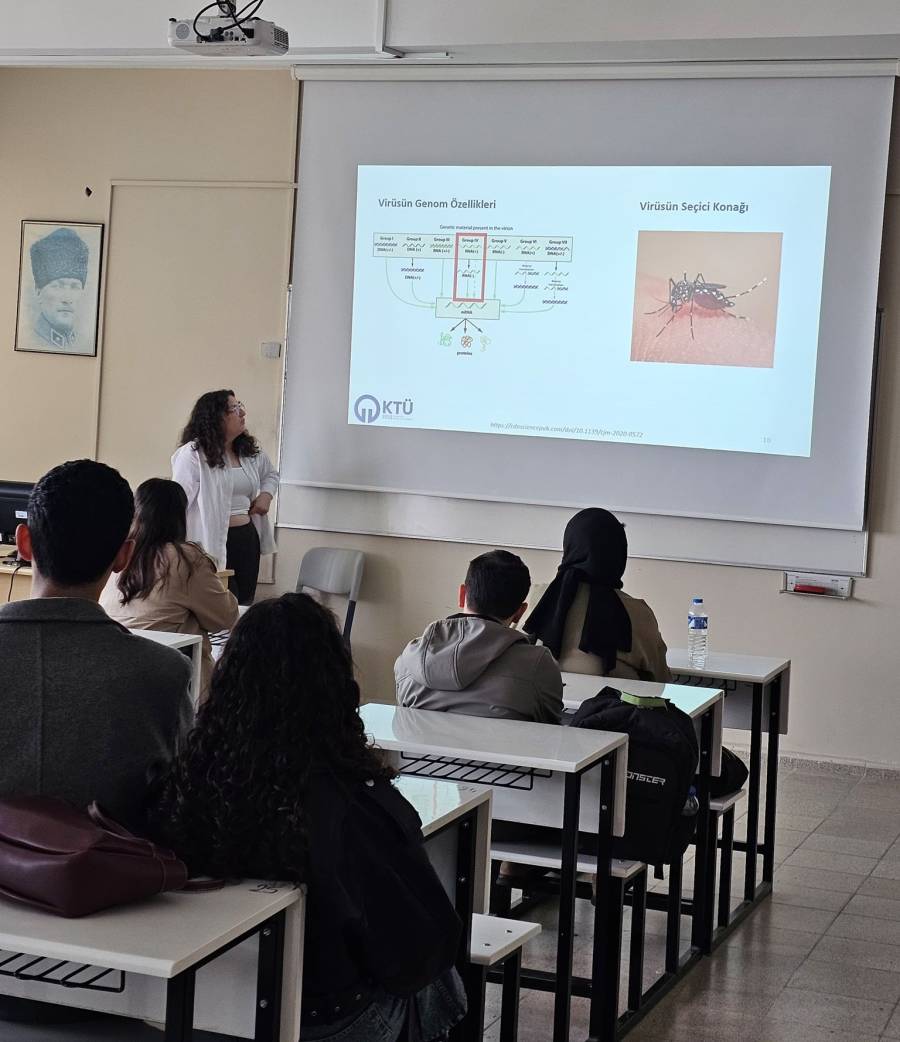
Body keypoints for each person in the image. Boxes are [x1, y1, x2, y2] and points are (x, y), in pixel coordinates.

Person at [153, 593, 466, 1042]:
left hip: (209, 1005)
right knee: (441, 977)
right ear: (335, 686)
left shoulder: (187, 783)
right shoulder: (354, 803)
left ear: (227, 681)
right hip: (325, 1019)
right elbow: (417, 949)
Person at [0, 460, 193, 830]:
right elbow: (178, 807)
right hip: (109, 867)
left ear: (24, 543)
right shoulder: (164, 674)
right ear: (124, 556)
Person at [101, 478, 239, 701]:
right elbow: (225, 617)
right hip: (174, 682)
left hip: (118, 674)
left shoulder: (119, 554)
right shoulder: (185, 559)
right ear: (180, 516)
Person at [395, 549, 563, 723]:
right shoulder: (538, 664)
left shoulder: (408, 659)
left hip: (425, 742)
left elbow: (404, 726)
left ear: (462, 594)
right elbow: (550, 730)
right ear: (520, 612)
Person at [524, 507, 672, 682]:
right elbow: (661, 680)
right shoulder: (636, 612)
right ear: (619, 554)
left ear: (569, 547)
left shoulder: (539, 598)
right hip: (614, 699)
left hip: (544, 698)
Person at [172, 390, 279, 605]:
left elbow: (271, 475)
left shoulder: (248, 451)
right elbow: (178, 501)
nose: (243, 413)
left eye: (241, 406)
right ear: (216, 416)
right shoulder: (193, 454)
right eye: (234, 409)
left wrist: (266, 495)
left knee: (244, 603)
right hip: (208, 541)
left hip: (246, 538)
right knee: (219, 604)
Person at [29, 227, 89, 350]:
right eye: (57, 286)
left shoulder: (86, 344)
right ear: (38, 292)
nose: (67, 299)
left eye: (75, 286)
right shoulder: (27, 340)